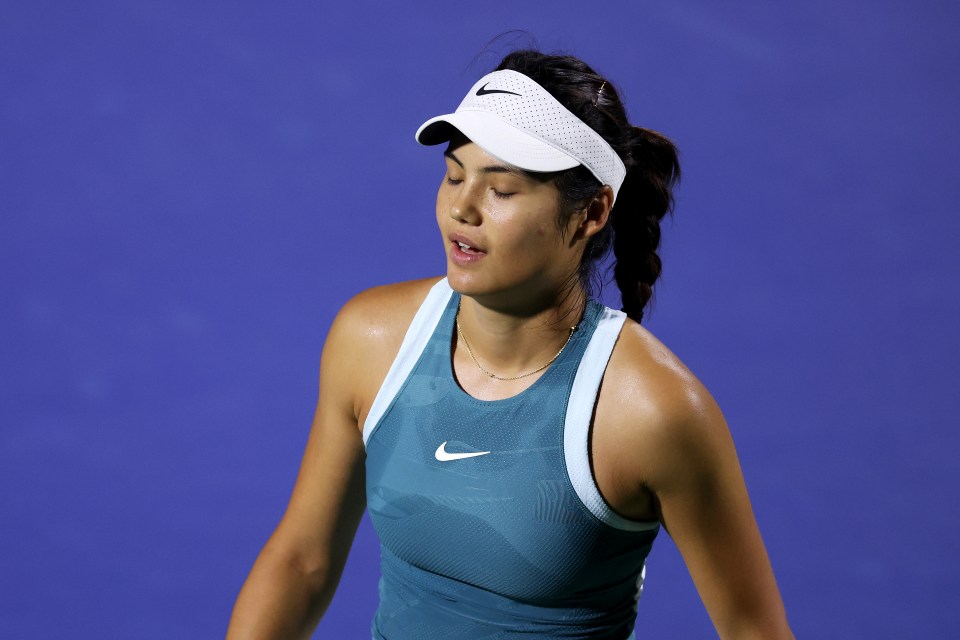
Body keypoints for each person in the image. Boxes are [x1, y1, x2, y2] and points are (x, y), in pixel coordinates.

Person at [226, 49, 794, 640]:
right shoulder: (370, 340)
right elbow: (303, 561)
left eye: (501, 189)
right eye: (454, 175)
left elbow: (757, 631)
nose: (461, 208)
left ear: (592, 212)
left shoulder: (651, 413)